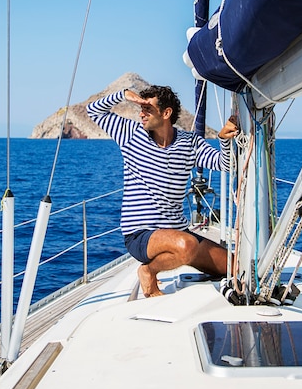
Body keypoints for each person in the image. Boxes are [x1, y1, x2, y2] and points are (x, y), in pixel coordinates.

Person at [87, 85, 238, 297]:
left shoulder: (189, 142)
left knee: (233, 268)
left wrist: (224, 140)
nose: (141, 113)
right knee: (186, 245)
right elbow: (93, 110)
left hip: (178, 233)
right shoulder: (130, 133)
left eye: (147, 109)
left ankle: (179, 254)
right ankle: (148, 270)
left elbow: (225, 163)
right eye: (141, 108)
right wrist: (124, 95)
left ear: (166, 113)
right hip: (140, 234)